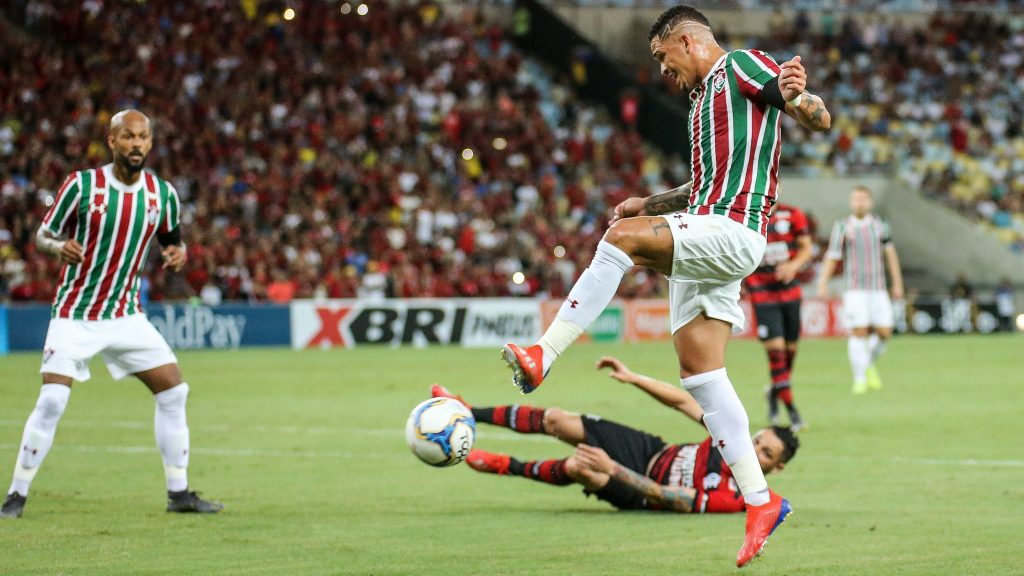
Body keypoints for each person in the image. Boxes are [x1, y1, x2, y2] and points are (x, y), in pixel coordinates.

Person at [500, 4, 830, 567]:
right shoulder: (704, 104)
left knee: (622, 238)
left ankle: (543, 352)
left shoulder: (739, 67)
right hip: (711, 229)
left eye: (661, 57)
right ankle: (761, 500)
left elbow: (808, 111)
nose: (662, 72)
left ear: (685, 40)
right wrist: (648, 203)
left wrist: (800, 95)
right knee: (701, 374)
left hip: (733, 230)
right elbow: (701, 187)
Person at [0, 110, 223, 519]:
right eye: (128, 137)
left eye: (143, 137)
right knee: (52, 400)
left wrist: (179, 253)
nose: (136, 144)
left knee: (174, 392)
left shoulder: (162, 194)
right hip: (76, 312)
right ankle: (16, 495)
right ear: (112, 140)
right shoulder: (83, 185)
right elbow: (43, 234)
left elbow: (173, 240)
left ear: (150, 143)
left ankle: (179, 493)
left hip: (126, 316)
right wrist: (57, 248)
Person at [436, 356, 798, 514]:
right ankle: (467, 410)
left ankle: (506, 466)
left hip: (641, 492)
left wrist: (613, 469)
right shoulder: (730, 439)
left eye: (766, 454)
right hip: (651, 451)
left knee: (584, 468)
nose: (754, 448)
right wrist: (634, 377)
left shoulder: (736, 498)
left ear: (776, 468)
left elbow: (666, 496)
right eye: (758, 440)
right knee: (559, 420)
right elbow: (684, 402)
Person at [816, 186, 904, 394]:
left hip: (878, 288)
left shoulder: (880, 225)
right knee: (859, 332)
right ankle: (859, 379)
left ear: (870, 203)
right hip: (855, 289)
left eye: (864, 199)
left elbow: (890, 255)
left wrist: (897, 283)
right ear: (851, 202)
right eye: (856, 199)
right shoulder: (843, 226)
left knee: (884, 333)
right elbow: (833, 255)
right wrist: (823, 282)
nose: (860, 202)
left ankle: (867, 364)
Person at [744, 203, 813, 430]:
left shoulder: (793, 214)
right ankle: (792, 412)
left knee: (790, 352)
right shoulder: (746, 216)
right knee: (776, 354)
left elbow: (806, 249)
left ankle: (775, 392)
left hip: (790, 294)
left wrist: (793, 266)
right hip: (762, 296)